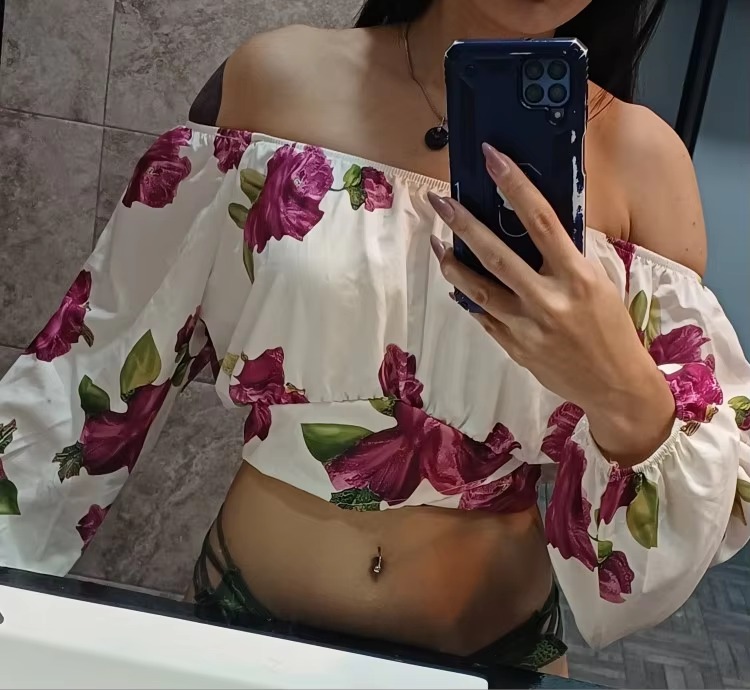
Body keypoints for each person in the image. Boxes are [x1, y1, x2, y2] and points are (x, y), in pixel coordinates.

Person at [1, 0, 748, 677]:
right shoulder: (277, 81)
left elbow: (677, 524)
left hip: (495, 649)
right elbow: (93, 362)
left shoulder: (646, 166)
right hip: (249, 626)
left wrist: (618, 385)